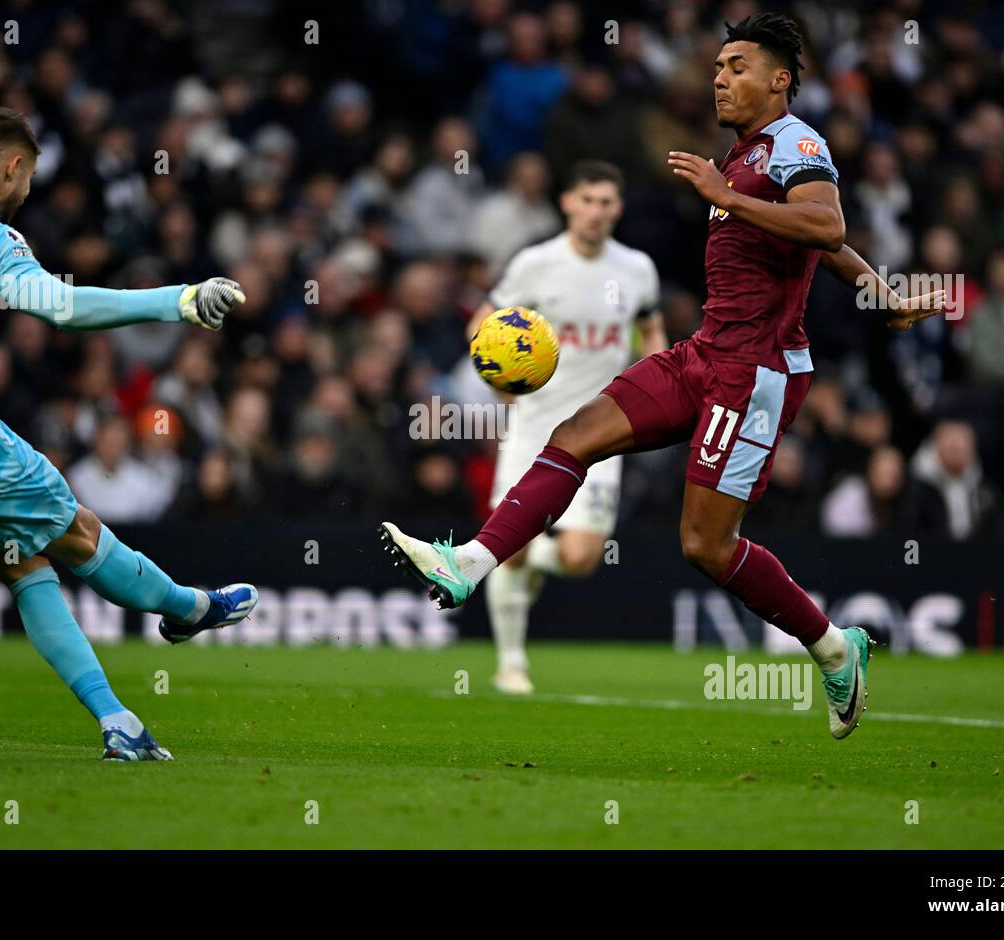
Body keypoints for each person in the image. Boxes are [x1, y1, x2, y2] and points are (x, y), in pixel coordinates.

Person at [379, 14, 944, 740]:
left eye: (737, 66)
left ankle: (834, 647)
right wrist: (884, 295)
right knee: (575, 433)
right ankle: (471, 562)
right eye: (715, 66)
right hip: (704, 351)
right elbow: (823, 246)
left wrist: (728, 196)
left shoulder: (796, 143)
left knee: (705, 546)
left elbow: (824, 226)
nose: (719, 77)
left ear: (779, 79)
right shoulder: (743, 155)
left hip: (755, 372)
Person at [0, 72, 258, 761]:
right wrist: (177, 301)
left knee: (22, 560)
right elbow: (63, 308)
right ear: (13, 167)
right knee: (79, 534)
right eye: (28, 179)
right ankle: (188, 609)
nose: (27, 194)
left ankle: (116, 721)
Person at [466, 160, 667, 694]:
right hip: (533, 426)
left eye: (607, 202)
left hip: (602, 427)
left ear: (618, 208)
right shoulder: (536, 264)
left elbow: (651, 332)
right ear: (566, 203)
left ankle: (530, 564)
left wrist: (657, 385)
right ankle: (511, 665)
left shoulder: (637, 269)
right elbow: (480, 326)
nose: (597, 211)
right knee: (508, 544)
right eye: (588, 200)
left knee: (580, 557)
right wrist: (500, 382)